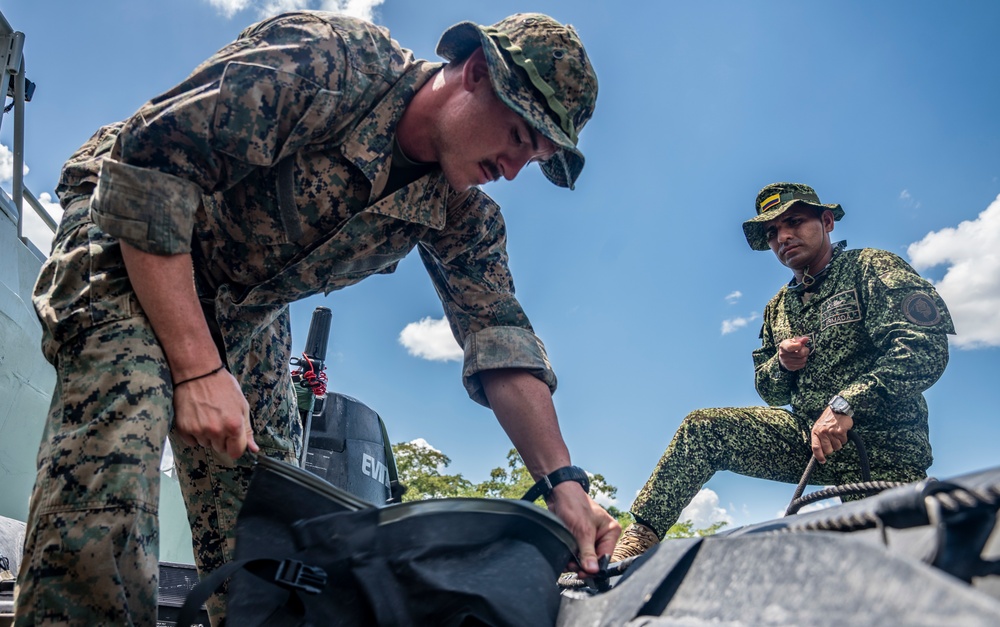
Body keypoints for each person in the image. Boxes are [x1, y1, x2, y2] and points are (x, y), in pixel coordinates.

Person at [15, 10, 619, 625]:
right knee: (121, 424)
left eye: (536, 157)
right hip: (130, 232)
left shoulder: (465, 216)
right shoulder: (331, 61)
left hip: (244, 303)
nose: (514, 169)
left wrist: (563, 484)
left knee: (267, 512)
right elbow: (149, 169)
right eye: (519, 135)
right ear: (475, 73)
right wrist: (197, 370)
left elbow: (499, 336)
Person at [612, 182, 955, 562]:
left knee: (896, 561)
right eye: (772, 232)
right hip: (810, 439)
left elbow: (923, 348)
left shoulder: (870, 267)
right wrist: (782, 365)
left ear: (826, 221)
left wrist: (846, 405)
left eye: (794, 221)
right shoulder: (779, 307)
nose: (782, 237)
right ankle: (636, 543)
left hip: (885, 450)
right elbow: (770, 391)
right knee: (704, 428)